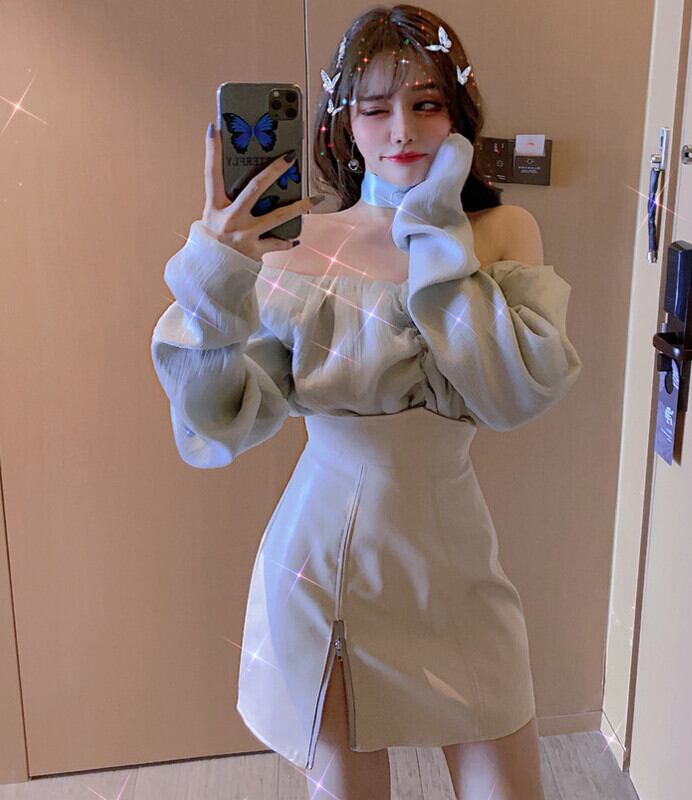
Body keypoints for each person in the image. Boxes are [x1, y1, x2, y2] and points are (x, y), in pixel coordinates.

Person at [150, 5, 582, 799]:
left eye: (426, 102)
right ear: (343, 124)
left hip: (457, 566)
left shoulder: (502, 231)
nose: (402, 130)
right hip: (324, 565)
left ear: (459, 114)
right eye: (374, 107)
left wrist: (433, 224)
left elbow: (512, 394)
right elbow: (219, 419)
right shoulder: (299, 246)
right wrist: (217, 275)